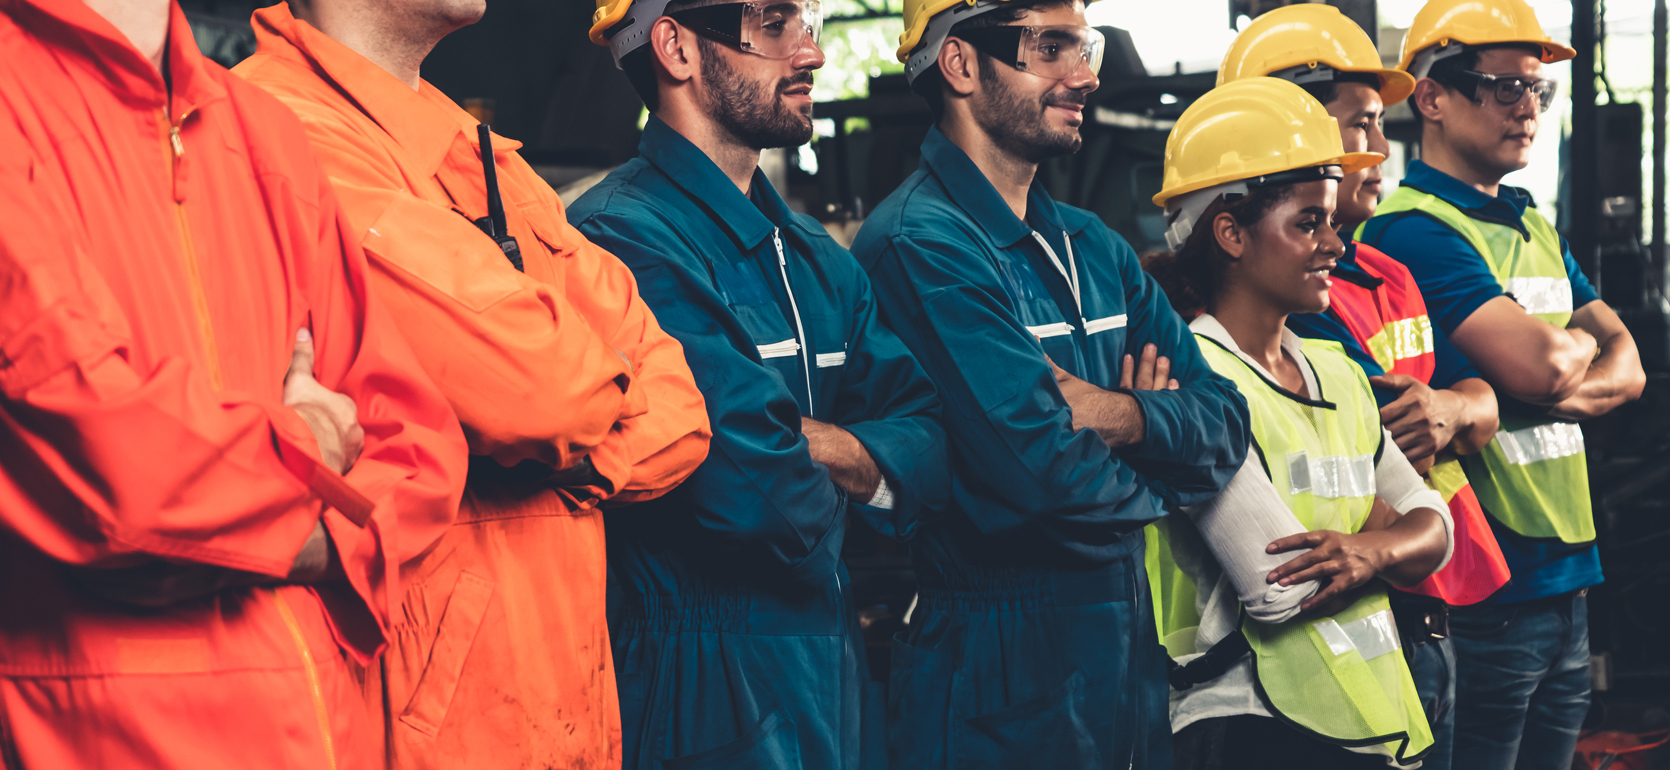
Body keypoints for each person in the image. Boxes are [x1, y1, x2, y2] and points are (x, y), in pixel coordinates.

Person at [232, 1, 713, 766]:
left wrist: (571, 453)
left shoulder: (478, 151)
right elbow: (545, 391)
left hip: (561, 706)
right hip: (429, 725)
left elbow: (684, 416)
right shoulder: (281, 128)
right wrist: (577, 420)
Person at [0, 0, 470, 766]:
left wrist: (250, 531)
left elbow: (419, 447)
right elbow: (123, 474)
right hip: (109, 740)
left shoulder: (261, 130)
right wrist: (311, 440)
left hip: (327, 734)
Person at [849, 0, 1250, 765]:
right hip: (996, 669)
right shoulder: (919, 247)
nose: (1086, 73)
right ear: (961, 64)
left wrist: (1120, 417)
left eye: (1084, 44)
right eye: (1051, 46)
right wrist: (1163, 457)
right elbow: (1040, 474)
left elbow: (1227, 422)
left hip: (1123, 658)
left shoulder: (1093, 246)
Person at [573, 0, 949, 767]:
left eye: (808, 24)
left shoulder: (814, 255)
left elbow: (935, 449)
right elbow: (754, 495)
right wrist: (865, 464)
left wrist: (827, 449)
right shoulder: (618, 240)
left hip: (831, 672)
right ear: (675, 48)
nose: (810, 54)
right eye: (776, 24)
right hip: (700, 689)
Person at [1214, 7, 1510, 767]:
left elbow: (1464, 407)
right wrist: (1447, 426)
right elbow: (1398, 451)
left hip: (1412, 634)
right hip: (1292, 689)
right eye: (1360, 125)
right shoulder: (1248, 340)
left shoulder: (1378, 283)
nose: (1378, 149)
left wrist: (1460, 408)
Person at [1362, 0, 1647, 765]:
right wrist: (1566, 356)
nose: (1529, 108)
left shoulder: (1531, 221)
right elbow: (1553, 364)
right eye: (1503, 87)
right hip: (1488, 583)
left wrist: (1555, 363)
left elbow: (1632, 364)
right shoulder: (1416, 229)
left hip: (1567, 572)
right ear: (1432, 97)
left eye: (1538, 90)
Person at [1142, 76, 1454, 769]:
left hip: (1367, 715)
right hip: (1245, 725)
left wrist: (1368, 552)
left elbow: (1440, 528)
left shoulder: (1336, 371)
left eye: (1332, 222)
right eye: (1307, 222)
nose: (1333, 244)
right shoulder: (1193, 378)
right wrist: (1388, 533)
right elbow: (1278, 591)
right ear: (1230, 231)